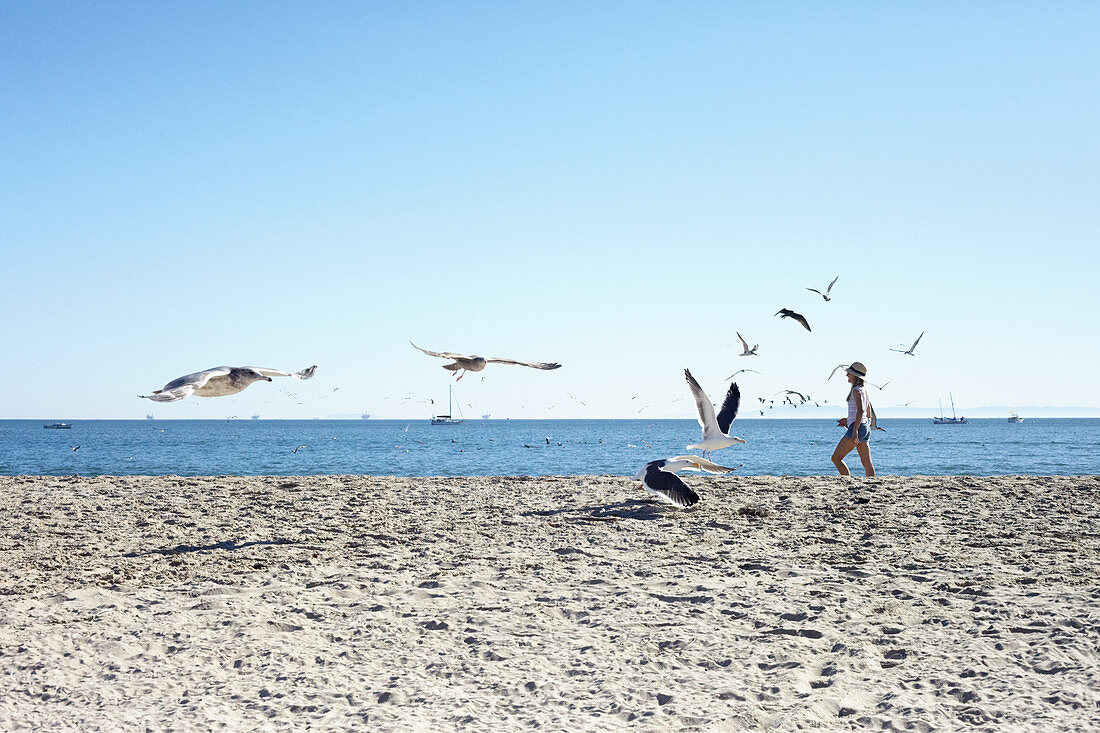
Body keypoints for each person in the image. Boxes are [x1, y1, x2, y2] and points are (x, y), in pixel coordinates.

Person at [832, 361, 876, 476]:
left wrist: (855, 430)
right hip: (865, 427)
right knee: (867, 463)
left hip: (858, 428)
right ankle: (872, 485)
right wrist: (848, 420)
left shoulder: (856, 390)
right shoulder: (864, 390)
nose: (847, 375)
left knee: (836, 458)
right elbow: (868, 413)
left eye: (849, 373)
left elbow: (861, 410)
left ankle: (846, 482)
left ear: (855, 376)